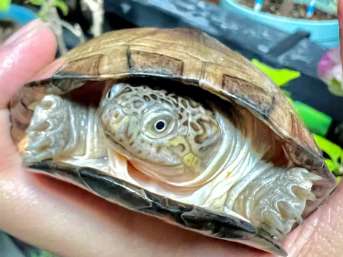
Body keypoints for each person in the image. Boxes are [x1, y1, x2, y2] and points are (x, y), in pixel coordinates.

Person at [0, 13, 342, 257]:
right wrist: (75, 114)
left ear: (208, 136)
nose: (116, 119)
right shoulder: (89, 117)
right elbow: (72, 102)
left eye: (159, 125)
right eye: (112, 100)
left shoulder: (268, 176)